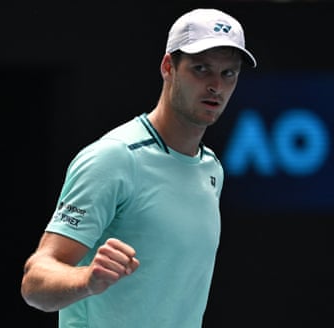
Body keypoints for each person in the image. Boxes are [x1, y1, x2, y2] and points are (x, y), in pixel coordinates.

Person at [20, 7, 257, 328]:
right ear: (168, 67)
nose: (216, 85)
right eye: (201, 69)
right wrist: (87, 279)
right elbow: (35, 283)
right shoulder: (114, 158)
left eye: (228, 73)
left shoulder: (211, 168)